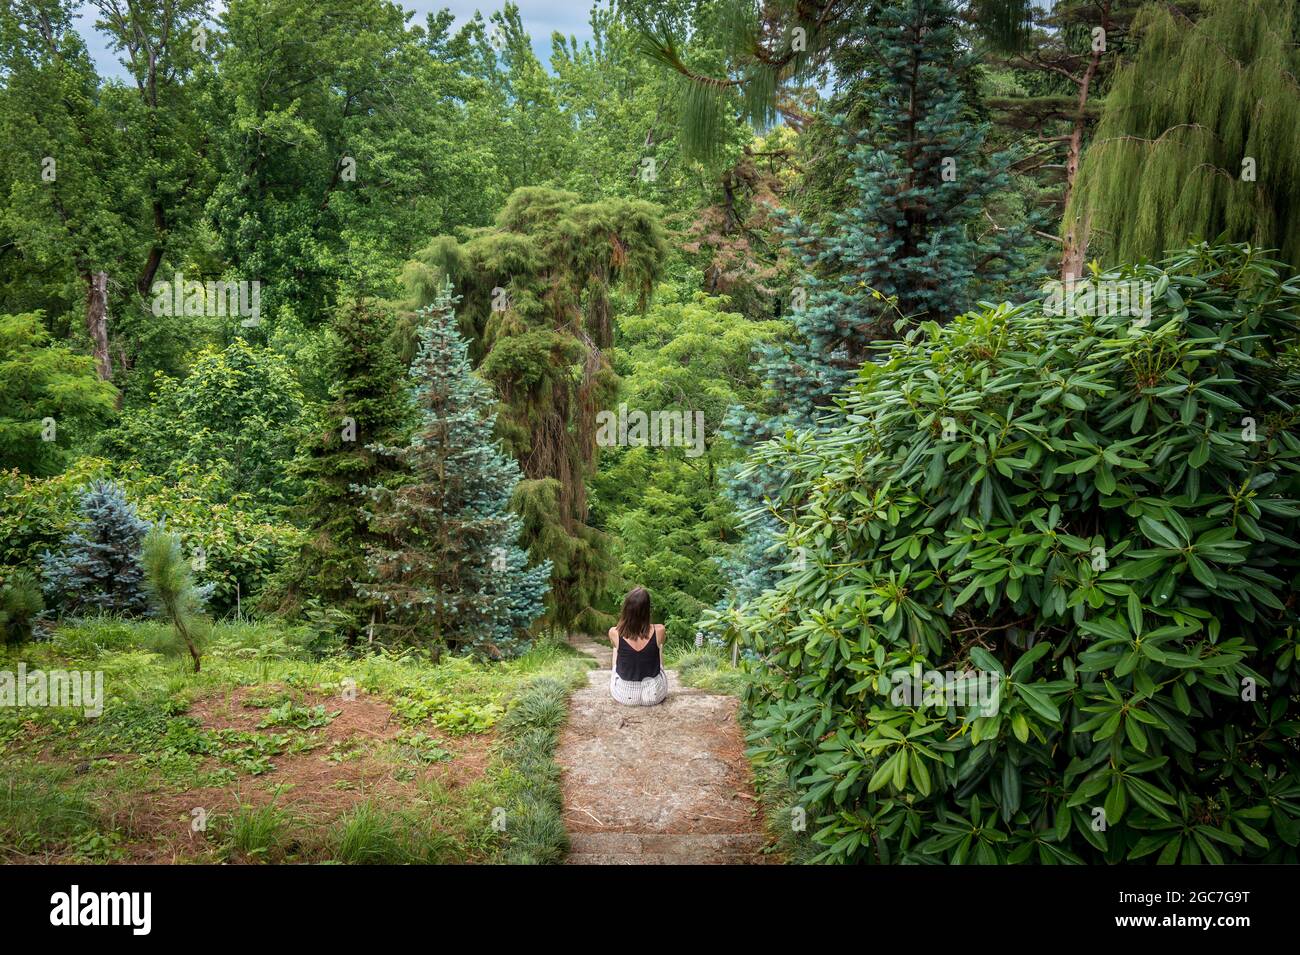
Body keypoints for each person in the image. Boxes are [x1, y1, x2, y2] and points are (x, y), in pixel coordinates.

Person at [607, 587, 667, 706]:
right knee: (658, 647)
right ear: (647, 610)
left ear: (626, 608)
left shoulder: (614, 632)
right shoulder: (660, 629)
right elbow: (660, 645)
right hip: (654, 695)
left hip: (625, 695)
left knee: (616, 649)